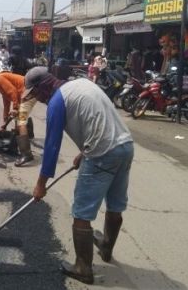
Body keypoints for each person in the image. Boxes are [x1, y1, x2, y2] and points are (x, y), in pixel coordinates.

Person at [24, 66, 134, 284]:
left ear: (43, 87)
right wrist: (83, 152)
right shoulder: (81, 84)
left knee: (81, 213)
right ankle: (105, 248)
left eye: (35, 94)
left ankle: (83, 268)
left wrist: (40, 185)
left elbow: (52, 148)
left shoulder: (56, 102)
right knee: (115, 204)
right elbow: (99, 118)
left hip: (102, 154)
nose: (37, 99)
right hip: (125, 146)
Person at [0, 71, 36, 166]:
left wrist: (15, 108)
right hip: (24, 92)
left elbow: (13, 92)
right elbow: (6, 101)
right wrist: (5, 120)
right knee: (18, 118)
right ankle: (28, 133)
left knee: (20, 121)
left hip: (28, 91)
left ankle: (26, 154)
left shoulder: (0, 79)